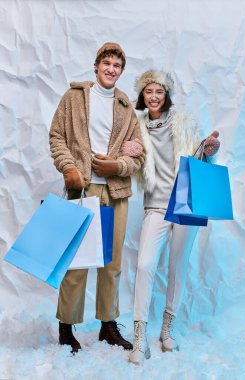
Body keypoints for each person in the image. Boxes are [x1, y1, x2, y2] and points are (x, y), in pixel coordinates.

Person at [49, 42, 145, 353]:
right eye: (107, 63)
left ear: (121, 71)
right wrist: (68, 167)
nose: (111, 69)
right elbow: (57, 137)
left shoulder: (126, 107)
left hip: (115, 192)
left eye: (117, 65)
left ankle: (107, 325)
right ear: (96, 65)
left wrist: (116, 165)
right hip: (84, 187)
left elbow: (139, 155)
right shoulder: (75, 97)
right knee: (78, 260)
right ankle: (66, 326)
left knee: (111, 262)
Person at [126, 70, 220, 364]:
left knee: (177, 267)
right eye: (148, 91)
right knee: (144, 265)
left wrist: (208, 149)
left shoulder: (185, 123)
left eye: (159, 91)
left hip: (185, 204)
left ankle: (167, 330)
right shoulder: (136, 127)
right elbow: (130, 160)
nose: (153, 96)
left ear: (167, 95)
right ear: (142, 95)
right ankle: (139, 339)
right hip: (155, 205)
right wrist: (127, 150)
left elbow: (198, 158)